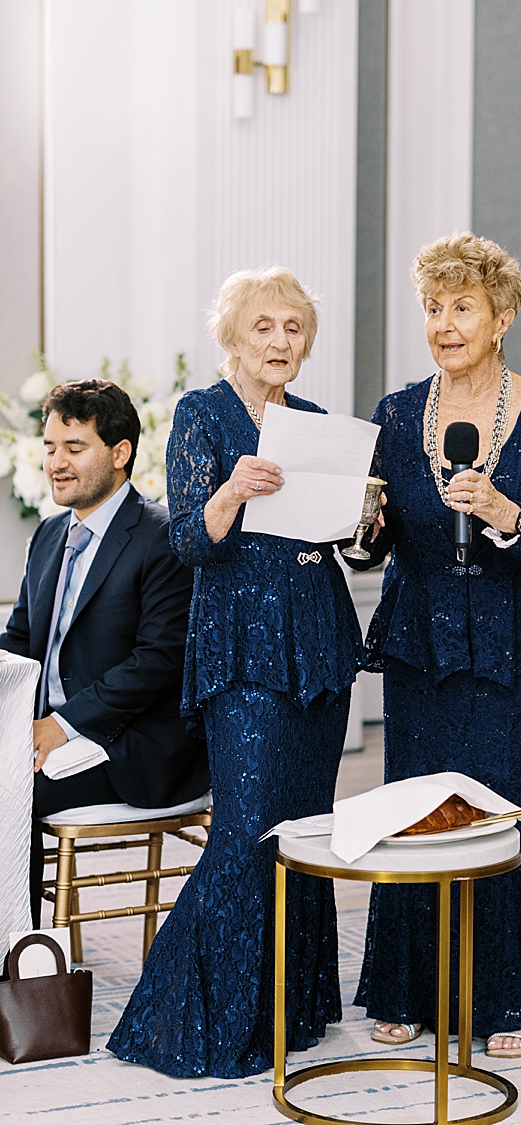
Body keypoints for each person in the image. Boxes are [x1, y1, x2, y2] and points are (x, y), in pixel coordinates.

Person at [108, 267, 364, 1077]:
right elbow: (188, 536)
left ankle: (292, 1008)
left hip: (318, 639)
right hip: (240, 645)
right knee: (247, 830)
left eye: (294, 328)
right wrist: (231, 491)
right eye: (265, 326)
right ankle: (194, 1018)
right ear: (234, 335)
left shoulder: (317, 422)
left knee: (306, 830)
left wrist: (365, 516)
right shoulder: (201, 414)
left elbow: (340, 544)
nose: (281, 341)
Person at [351, 233, 521, 1060]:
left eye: (462, 307)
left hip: (516, 646)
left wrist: (500, 510)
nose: (444, 324)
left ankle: (513, 994)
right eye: (433, 308)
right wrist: (363, 530)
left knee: (505, 812)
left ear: (503, 316)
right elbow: (374, 544)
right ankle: (406, 987)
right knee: (414, 814)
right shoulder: (393, 412)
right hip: (421, 645)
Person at [1, 380, 207, 929]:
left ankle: (19, 962)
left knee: (8, 788)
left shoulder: (163, 537)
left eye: (74, 447)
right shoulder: (48, 535)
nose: (55, 463)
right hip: (51, 731)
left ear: (120, 454)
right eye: (49, 448)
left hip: (132, 742)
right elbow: (21, 640)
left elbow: (157, 663)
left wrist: (61, 726)